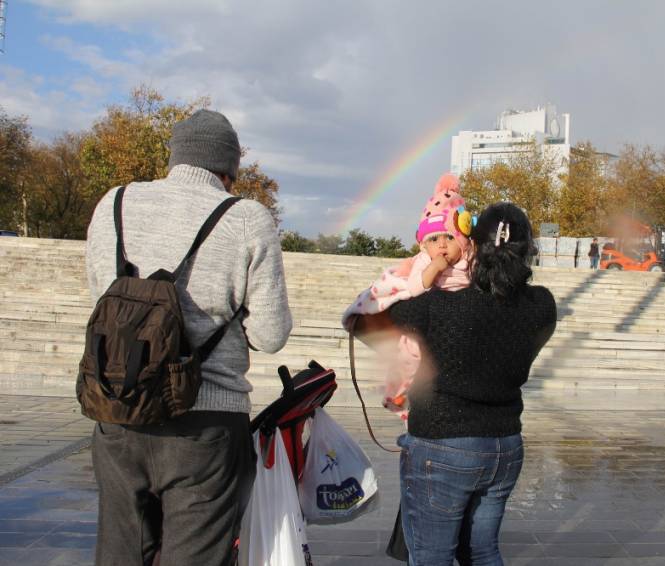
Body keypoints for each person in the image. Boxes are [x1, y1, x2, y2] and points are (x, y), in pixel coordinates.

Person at [85, 109, 292, 565]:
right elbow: (271, 335)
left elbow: (103, 299)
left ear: (175, 157)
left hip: (118, 410)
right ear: (229, 169)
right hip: (207, 421)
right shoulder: (245, 217)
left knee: (119, 553)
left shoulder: (114, 203)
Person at [388, 202, 557, 565]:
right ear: (528, 251)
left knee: (433, 556)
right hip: (505, 447)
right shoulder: (543, 305)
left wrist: (436, 265)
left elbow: (392, 312)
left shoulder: (440, 306)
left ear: (472, 246)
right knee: (483, 552)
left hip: (443, 445)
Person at [342, 173, 473, 421]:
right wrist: (433, 268)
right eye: (434, 239)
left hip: (456, 325)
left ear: (463, 239)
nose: (442, 246)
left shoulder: (471, 260)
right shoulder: (425, 261)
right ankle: (401, 391)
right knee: (410, 351)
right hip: (428, 317)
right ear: (423, 244)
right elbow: (414, 288)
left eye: (449, 238)